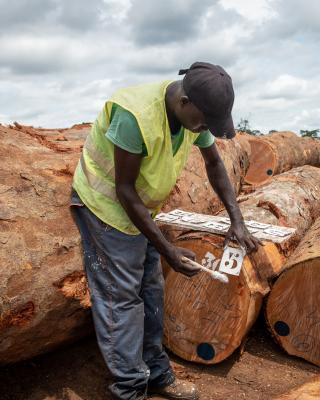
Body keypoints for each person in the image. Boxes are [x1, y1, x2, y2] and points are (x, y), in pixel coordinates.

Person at [70, 61, 261, 400]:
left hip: (140, 208)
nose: (202, 128)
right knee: (122, 298)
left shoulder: (191, 113)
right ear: (183, 101)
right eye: (202, 120)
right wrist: (167, 249)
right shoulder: (135, 115)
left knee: (152, 291)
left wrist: (237, 219)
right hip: (106, 207)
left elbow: (214, 164)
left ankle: (157, 374)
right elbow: (124, 190)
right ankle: (129, 390)